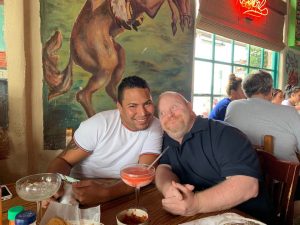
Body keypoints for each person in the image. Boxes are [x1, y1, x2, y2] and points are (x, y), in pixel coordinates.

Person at [155, 91, 273, 223]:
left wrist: (196, 203)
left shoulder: (225, 134)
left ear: (189, 107)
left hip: (246, 217)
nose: (169, 115)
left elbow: (248, 186)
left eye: (174, 107)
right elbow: (164, 168)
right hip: (203, 216)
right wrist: (168, 189)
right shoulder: (169, 138)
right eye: (162, 113)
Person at [47, 76, 163, 207]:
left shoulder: (155, 126)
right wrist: (53, 186)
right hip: (79, 190)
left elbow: (144, 173)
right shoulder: (98, 124)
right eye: (133, 106)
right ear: (119, 107)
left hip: (121, 190)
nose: (143, 113)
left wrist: (106, 193)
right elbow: (63, 161)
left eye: (147, 103)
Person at [225, 71, 300, 163]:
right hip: (285, 175)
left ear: (245, 91)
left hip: (240, 170)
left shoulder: (233, 106)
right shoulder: (290, 112)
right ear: (271, 91)